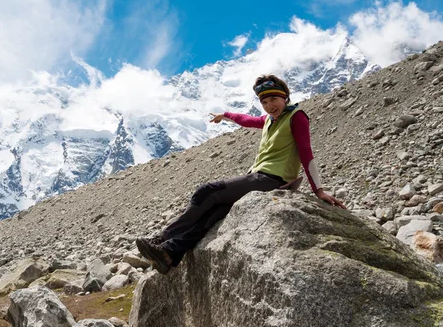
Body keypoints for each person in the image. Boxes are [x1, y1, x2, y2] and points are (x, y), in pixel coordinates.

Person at [136, 74, 346, 274]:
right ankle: (170, 253)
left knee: (207, 191)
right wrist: (225, 116)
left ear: (285, 96)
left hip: (273, 179)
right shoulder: (268, 120)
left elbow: (306, 152)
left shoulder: (296, 117)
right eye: (264, 102)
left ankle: (162, 238)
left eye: (274, 99)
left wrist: (318, 190)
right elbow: (245, 119)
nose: (270, 106)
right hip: (261, 178)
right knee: (215, 214)